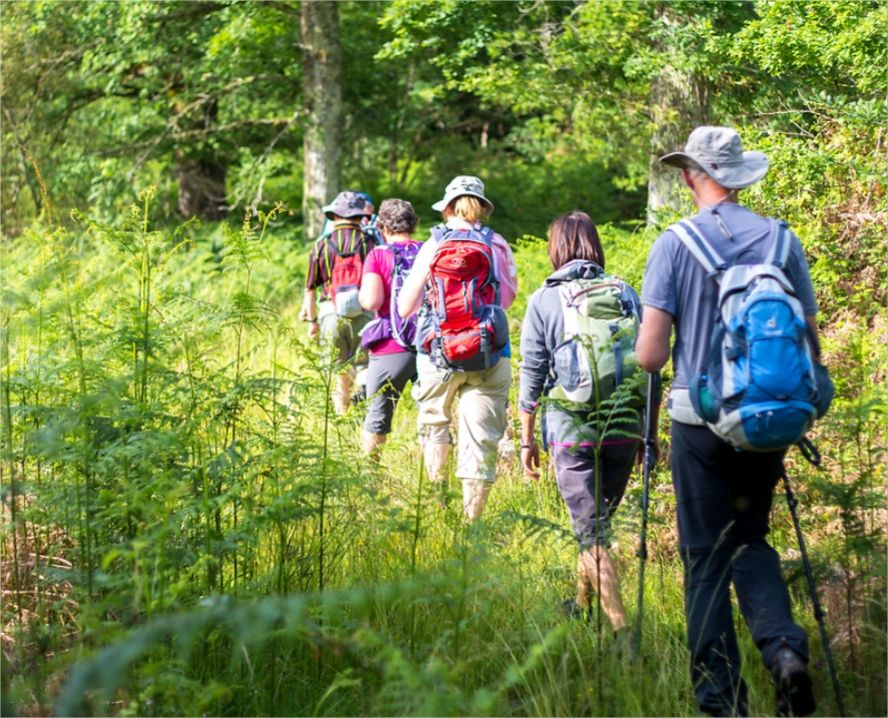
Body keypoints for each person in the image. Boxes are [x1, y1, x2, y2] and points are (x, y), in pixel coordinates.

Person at [635, 126, 819, 717]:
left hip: (698, 421)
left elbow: (651, 355)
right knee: (751, 540)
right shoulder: (780, 240)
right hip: (767, 419)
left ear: (691, 175)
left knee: (704, 558)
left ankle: (722, 704)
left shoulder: (674, 243)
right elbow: (809, 343)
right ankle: (785, 651)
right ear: (739, 177)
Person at [518, 211, 648, 630]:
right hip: (625, 426)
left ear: (556, 248)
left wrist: (525, 440)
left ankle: (622, 630)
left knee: (591, 534)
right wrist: (647, 431)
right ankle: (580, 603)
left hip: (571, 430)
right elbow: (650, 367)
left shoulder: (544, 299)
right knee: (595, 523)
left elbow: (533, 374)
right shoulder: (627, 293)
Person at [398, 176, 518, 521]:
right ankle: (471, 523)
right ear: (482, 208)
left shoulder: (434, 243)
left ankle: (437, 504)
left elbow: (406, 306)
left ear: (447, 207)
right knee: (481, 436)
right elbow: (506, 300)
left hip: (438, 351)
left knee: (435, 422)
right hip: (488, 352)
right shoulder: (497, 243)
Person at [299, 190, 374, 415]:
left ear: (335, 216)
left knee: (337, 369)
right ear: (360, 217)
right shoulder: (369, 242)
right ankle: (363, 411)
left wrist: (312, 321)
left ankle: (342, 416)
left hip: (331, 313)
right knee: (364, 366)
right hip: (364, 312)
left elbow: (310, 288)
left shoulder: (322, 245)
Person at [358, 199, 422, 456]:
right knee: (433, 417)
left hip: (390, 346)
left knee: (377, 416)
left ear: (383, 227)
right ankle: (436, 483)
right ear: (414, 224)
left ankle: (369, 480)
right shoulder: (428, 251)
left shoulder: (378, 255)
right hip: (428, 344)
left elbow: (372, 300)